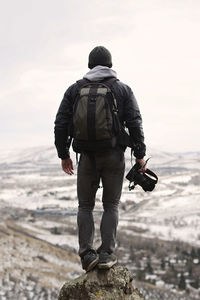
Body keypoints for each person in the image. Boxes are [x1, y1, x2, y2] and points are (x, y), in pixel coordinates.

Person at [54, 46, 146, 272]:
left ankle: (87, 255)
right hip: (114, 156)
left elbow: (61, 123)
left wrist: (64, 154)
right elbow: (134, 122)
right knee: (111, 205)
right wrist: (140, 155)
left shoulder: (74, 90)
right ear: (110, 65)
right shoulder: (122, 89)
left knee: (85, 206)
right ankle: (106, 254)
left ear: (89, 65)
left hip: (86, 157)